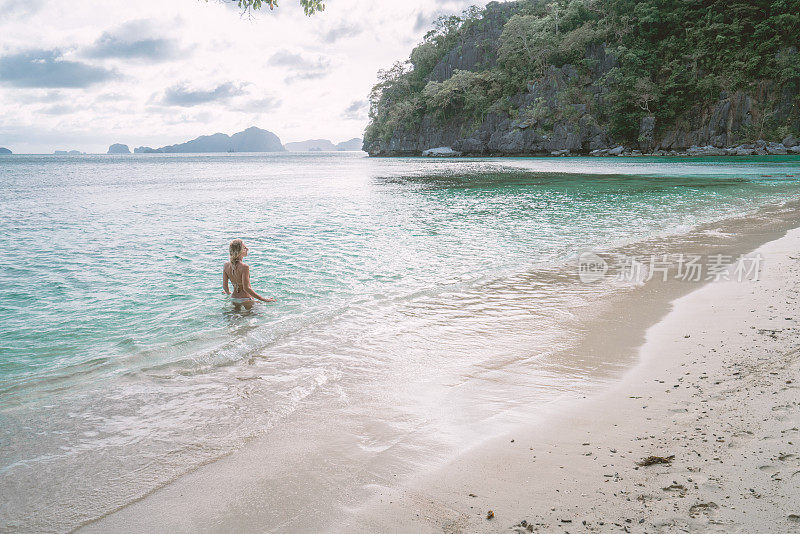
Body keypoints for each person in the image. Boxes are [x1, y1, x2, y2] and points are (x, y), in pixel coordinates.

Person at [223, 239, 275, 309]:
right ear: (239, 251)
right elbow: (246, 288)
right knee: (260, 316)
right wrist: (265, 299)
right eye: (244, 248)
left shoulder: (226, 265)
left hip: (234, 299)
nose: (247, 249)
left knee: (236, 318)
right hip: (246, 299)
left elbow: (225, 286)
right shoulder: (244, 267)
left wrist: (229, 294)